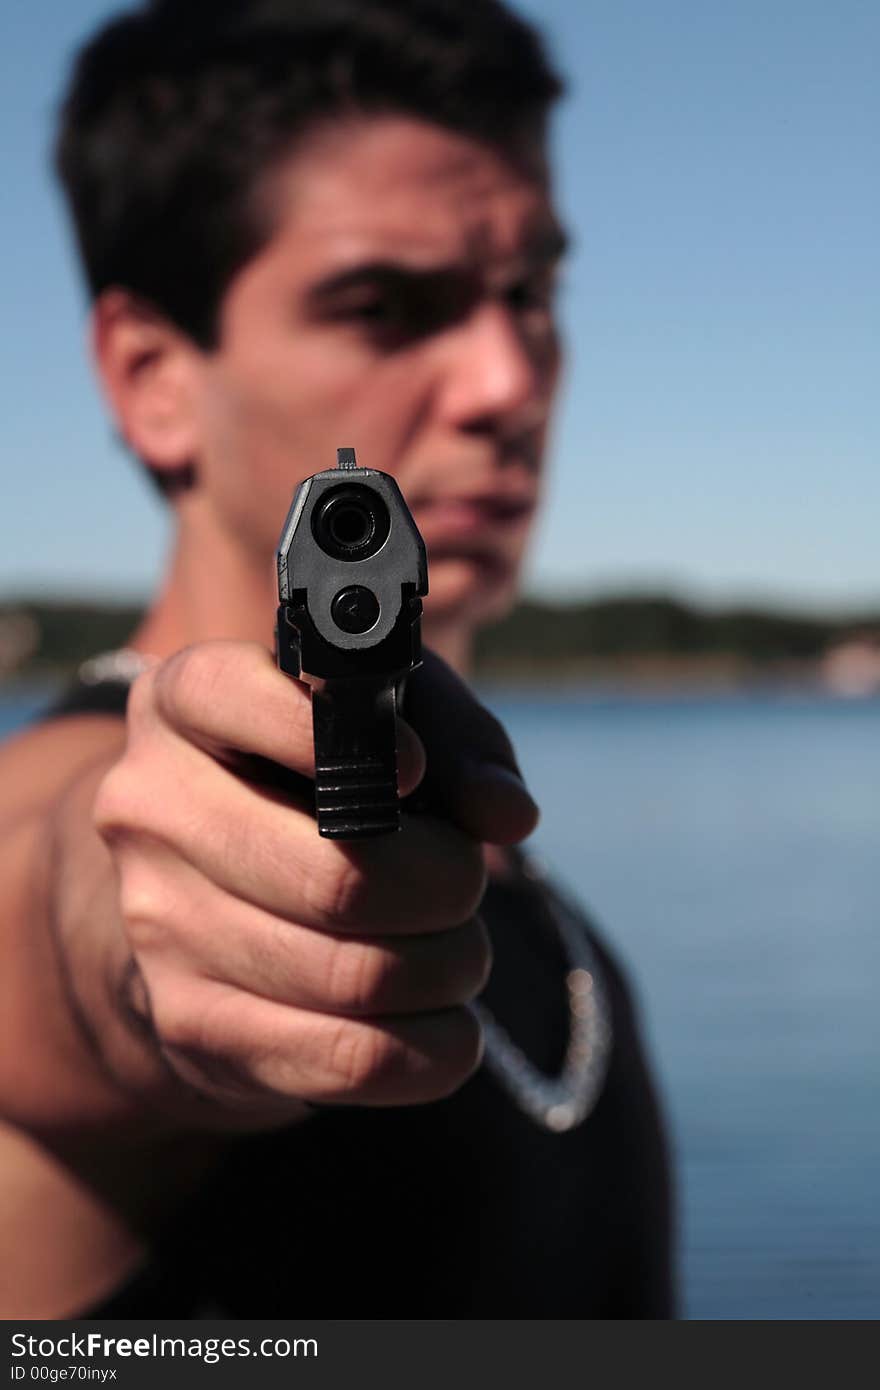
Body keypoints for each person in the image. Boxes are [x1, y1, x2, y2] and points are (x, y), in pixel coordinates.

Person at [0, 0, 675, 1317]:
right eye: (382, 304)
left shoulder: (531, 898)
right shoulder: (91, 807)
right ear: (152, 377)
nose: (505, 378)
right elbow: (64, 899)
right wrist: (147, 942)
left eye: (530, 292)